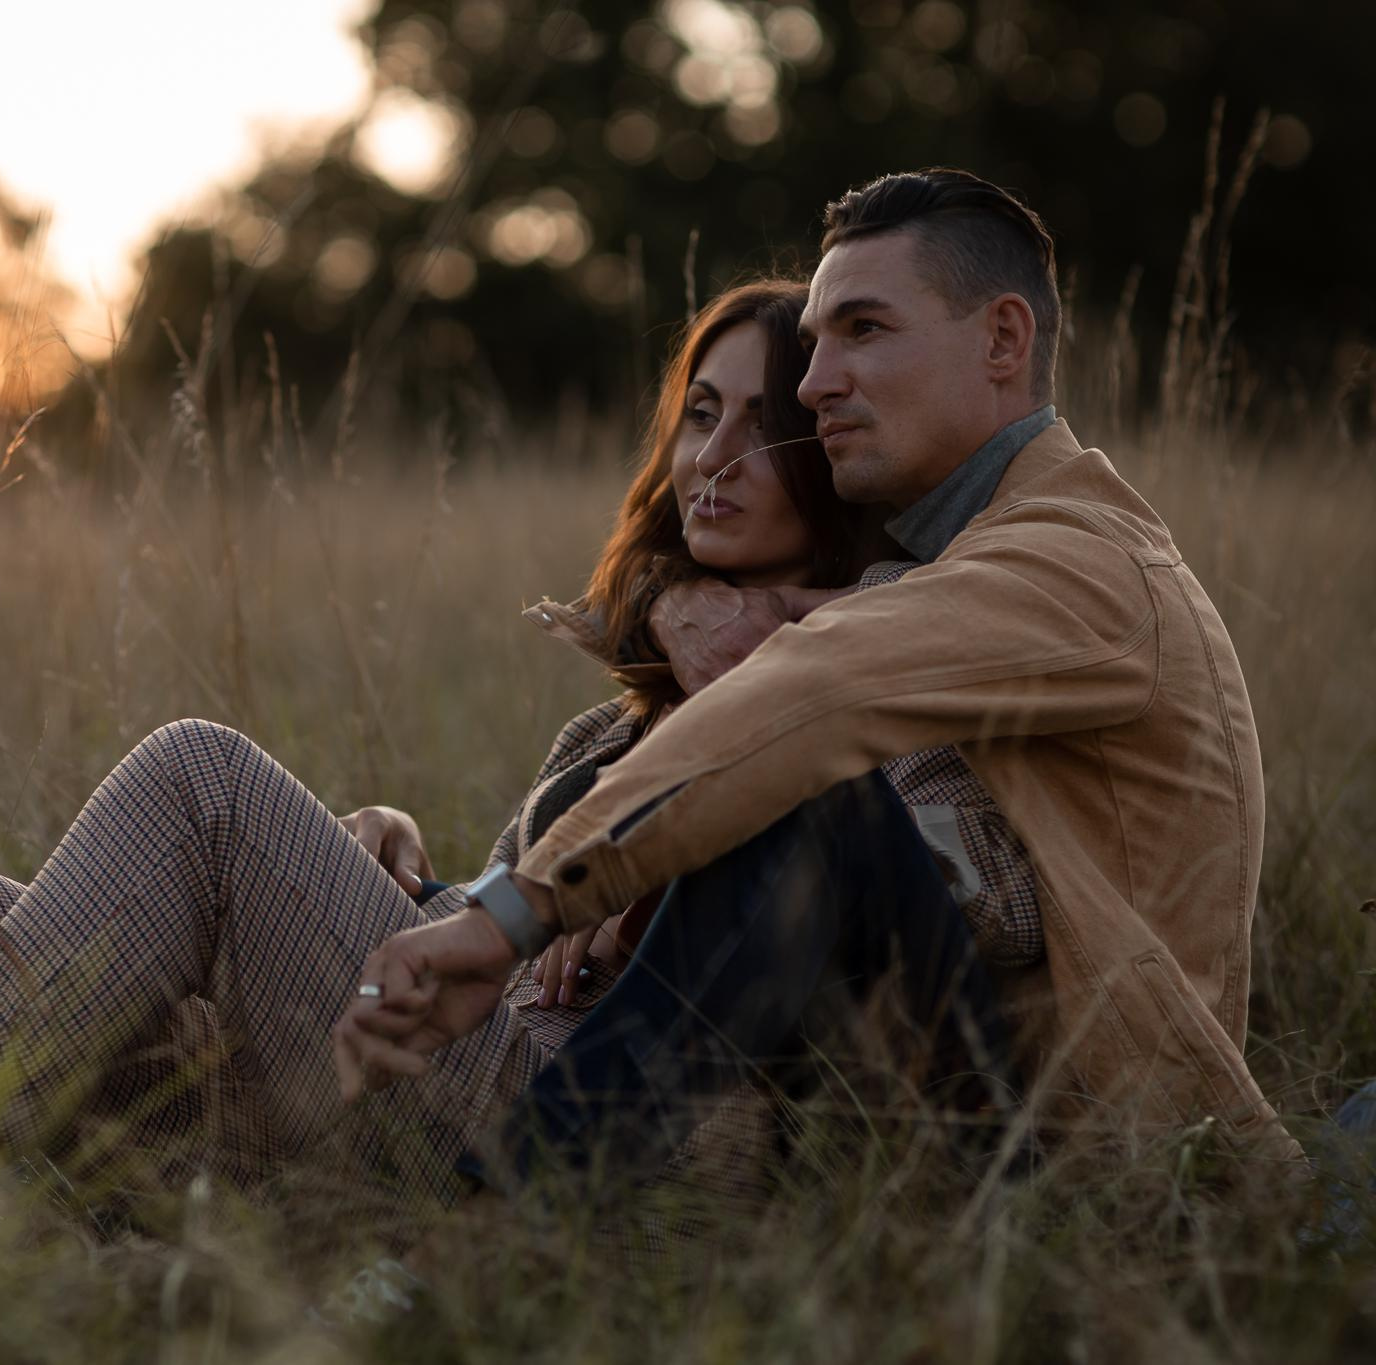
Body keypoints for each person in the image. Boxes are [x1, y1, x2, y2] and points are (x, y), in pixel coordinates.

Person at [0, 276, 1029, 1296]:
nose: (714, 458)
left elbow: (950, 914)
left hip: (601, 1178)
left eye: (765, 427)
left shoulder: (877, 673)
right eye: (695, 415)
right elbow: (475, 967)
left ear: (832, 462)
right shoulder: (593, 745)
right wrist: (387, 888)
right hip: (422, 1109)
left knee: (195, 779)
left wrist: (739, 699)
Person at [333, 169, 1305, 1195]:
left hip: (1093, 1169)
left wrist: (520, 909)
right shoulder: (962, 559)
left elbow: (817, 689)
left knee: (808, 808)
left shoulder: (1077, 558)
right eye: (818, 338)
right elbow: (814, 641)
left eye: (864, 329)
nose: (813, 382)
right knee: (216, 784)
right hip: (920, 1107)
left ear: (1002, 341)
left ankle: (496, 1221)